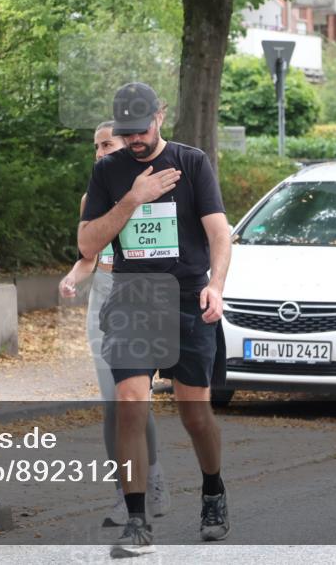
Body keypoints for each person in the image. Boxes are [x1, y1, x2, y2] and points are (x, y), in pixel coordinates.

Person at [78, 83, 231, 557]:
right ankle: (137, 519)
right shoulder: (108, 172)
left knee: (195, 414)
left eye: (141, 130)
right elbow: (87, 245)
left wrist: (216, 286)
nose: (135, 140)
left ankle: (213, 490)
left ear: (160, 116)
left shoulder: (192, 163)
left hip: (187, 298)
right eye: (127, 133)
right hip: (133, 297)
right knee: (130, 403)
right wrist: (132, 199)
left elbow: (219, 234)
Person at [59, 120, 169, 526]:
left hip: (141, 300)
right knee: (113, 405)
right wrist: (73, 277)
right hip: (103, 301)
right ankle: (125, 493)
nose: (99, 152)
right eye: (96, 146)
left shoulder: (155, 191)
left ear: (129, 146)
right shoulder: (92, 197)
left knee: (134, 402)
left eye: (107, 144)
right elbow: (88, 256)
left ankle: (151, 480)